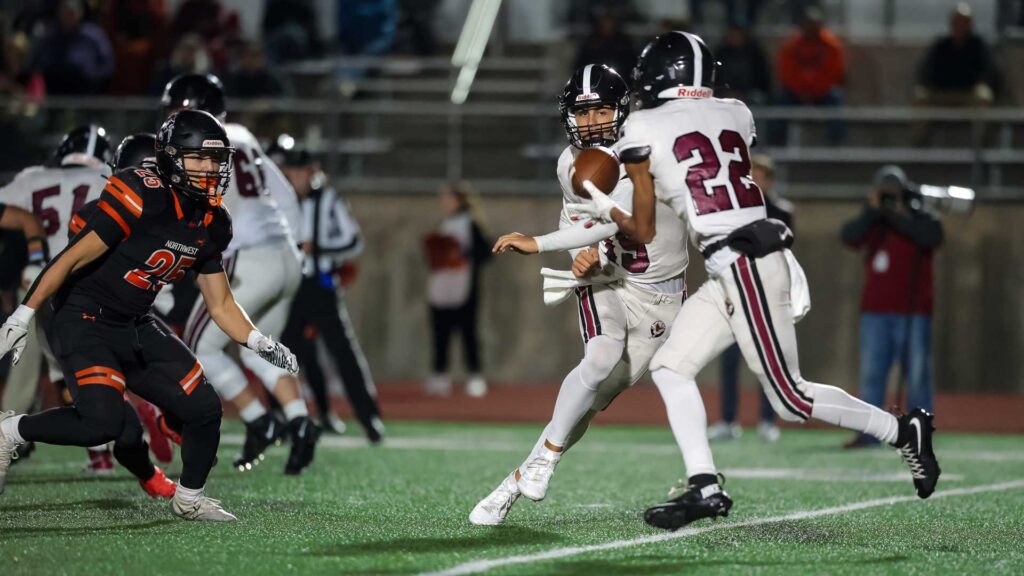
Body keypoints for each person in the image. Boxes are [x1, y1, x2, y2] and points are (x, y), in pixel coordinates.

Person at [573, 31, 941, 531]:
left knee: (789, 398)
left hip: (743, 261)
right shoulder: (737, 113)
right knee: (671, 368)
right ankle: (704, 485)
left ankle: (903, 430)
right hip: (749, 256)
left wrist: (598, 198)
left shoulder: (642, 124)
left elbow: (642, 227)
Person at [0, 109, 300, 520]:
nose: (209, 169)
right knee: (102, 422)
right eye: (198, 158)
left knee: (205, 408)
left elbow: (222, 304)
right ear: (170, 158)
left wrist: (259, 341)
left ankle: (189, 499)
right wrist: (23, 313)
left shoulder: (213, 222)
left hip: (134, 321)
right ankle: (9, 432)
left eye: (215, 159)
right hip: (84, 316)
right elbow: (69, 260)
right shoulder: (142, 194)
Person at [470, 64, 691, 526]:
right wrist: (585, 251)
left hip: (662, 295)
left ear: (623, 108)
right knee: (600, 357)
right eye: (581, 112)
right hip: (608, 277)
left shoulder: (657, 147)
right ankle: (545, 458)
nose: (590, 122)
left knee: (592, 402)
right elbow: (582, 227)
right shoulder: (571, 162)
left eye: (601, 110)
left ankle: (515, 479)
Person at [167, 74, 318, 475]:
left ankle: (258, 420)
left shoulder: (202, 140)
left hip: (247, 255)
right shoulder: (243, 136)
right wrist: (297, 247)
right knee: (260, 346)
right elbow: (284, 193)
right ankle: (300, 420)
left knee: (201, 347)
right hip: (284, 254)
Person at [0, 125, 116, 472]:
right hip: (92, 283)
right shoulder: (110, 177)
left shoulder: (33, 178)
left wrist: (34, 257)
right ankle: (101, 452)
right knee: (69, 365)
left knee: (62, 366)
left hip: (40, 282)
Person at [272, 137, 385, 443]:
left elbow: (353, 241)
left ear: (313, 170)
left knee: (343, 352)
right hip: (290, 286)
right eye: (290, 171)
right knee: (280, 352)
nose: (294, 177)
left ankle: (368, 416)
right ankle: (276, 418)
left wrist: (316, 248)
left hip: (320, 285)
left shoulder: (329, 200)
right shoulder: (278, 200)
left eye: (300, 170)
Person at [841, 166, 942, 448]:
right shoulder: (874, 222)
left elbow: (931, 237)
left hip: (913, 312)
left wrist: (898, 214)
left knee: (918, 377)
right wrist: (873, 212)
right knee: (872, 376)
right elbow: (848, 235)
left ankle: (920, 433)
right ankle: (869, 433)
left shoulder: (920, 216)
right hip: (876, 311)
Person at [707, 154, 789, 443]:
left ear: (770, 180)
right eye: (751, 174)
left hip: (766, 294)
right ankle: (729, 420)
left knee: (767, 362)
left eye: (761, 175)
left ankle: (768, 420)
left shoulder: (780, 211)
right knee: (730, 361)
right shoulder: (732, 209)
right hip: (737, 292)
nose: (755, 180)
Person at [423, 182, 490, 398]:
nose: (444, 203)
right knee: (440, 333)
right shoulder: (444, 223)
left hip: (464, 287)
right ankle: (439, 374)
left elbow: (485, 253)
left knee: (468, 333)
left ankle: (475, 375)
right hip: (442, 285)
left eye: (448, 198)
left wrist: (462, 254)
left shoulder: (470, 223)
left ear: (459, 201)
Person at [775, 7, 846, 144]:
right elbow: (786, 72)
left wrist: (815, 91)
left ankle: (836, 145)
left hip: (822, 93)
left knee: (836, 100)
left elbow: (834, 73)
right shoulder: (791, 46)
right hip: (796, 92)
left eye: (814, 25)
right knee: (780, 102)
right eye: (808, 24)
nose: (811, 28)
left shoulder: (831, 45)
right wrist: (801, 90)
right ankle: (777, 144)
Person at [915, 4, 995, 109]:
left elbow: (989, 70)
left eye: (964, 22)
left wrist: (979, 83)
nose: (960, 26)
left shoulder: (978, 46)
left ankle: (981, 126)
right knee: (919, 96)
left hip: (969, 92)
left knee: (984, 96)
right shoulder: (940, 46)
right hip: (940, 92)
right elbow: (926, 69)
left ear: (970, 25)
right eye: (957, 22)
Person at [32, 0, 114, 96]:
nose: (69, 15)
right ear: (58, 12)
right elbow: (39, 64)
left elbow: (107, 65)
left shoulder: (94, 36)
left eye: (72, 12)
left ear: (81, 12)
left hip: (87, 92)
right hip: (55, 92)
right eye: (65, 11)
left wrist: (94, 79)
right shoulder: (50, 36)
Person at [572, 9, 637, 81]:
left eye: (610, 23)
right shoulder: (591, 43)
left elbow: (631, 65)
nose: (607, 26)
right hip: (594, 82)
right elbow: (580, 67)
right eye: (604, 23)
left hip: (620, 82)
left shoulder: (623, 43)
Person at [715, 25, 770, 104]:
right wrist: (727, 91)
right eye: (733, 35)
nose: (736, 38)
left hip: (750, 94)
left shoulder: (755, 53)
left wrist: (744, 93)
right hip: (724, 93)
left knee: (758, 97)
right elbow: (716, 77)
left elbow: (762, 78)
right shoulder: (721, 54)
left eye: (738, 35)